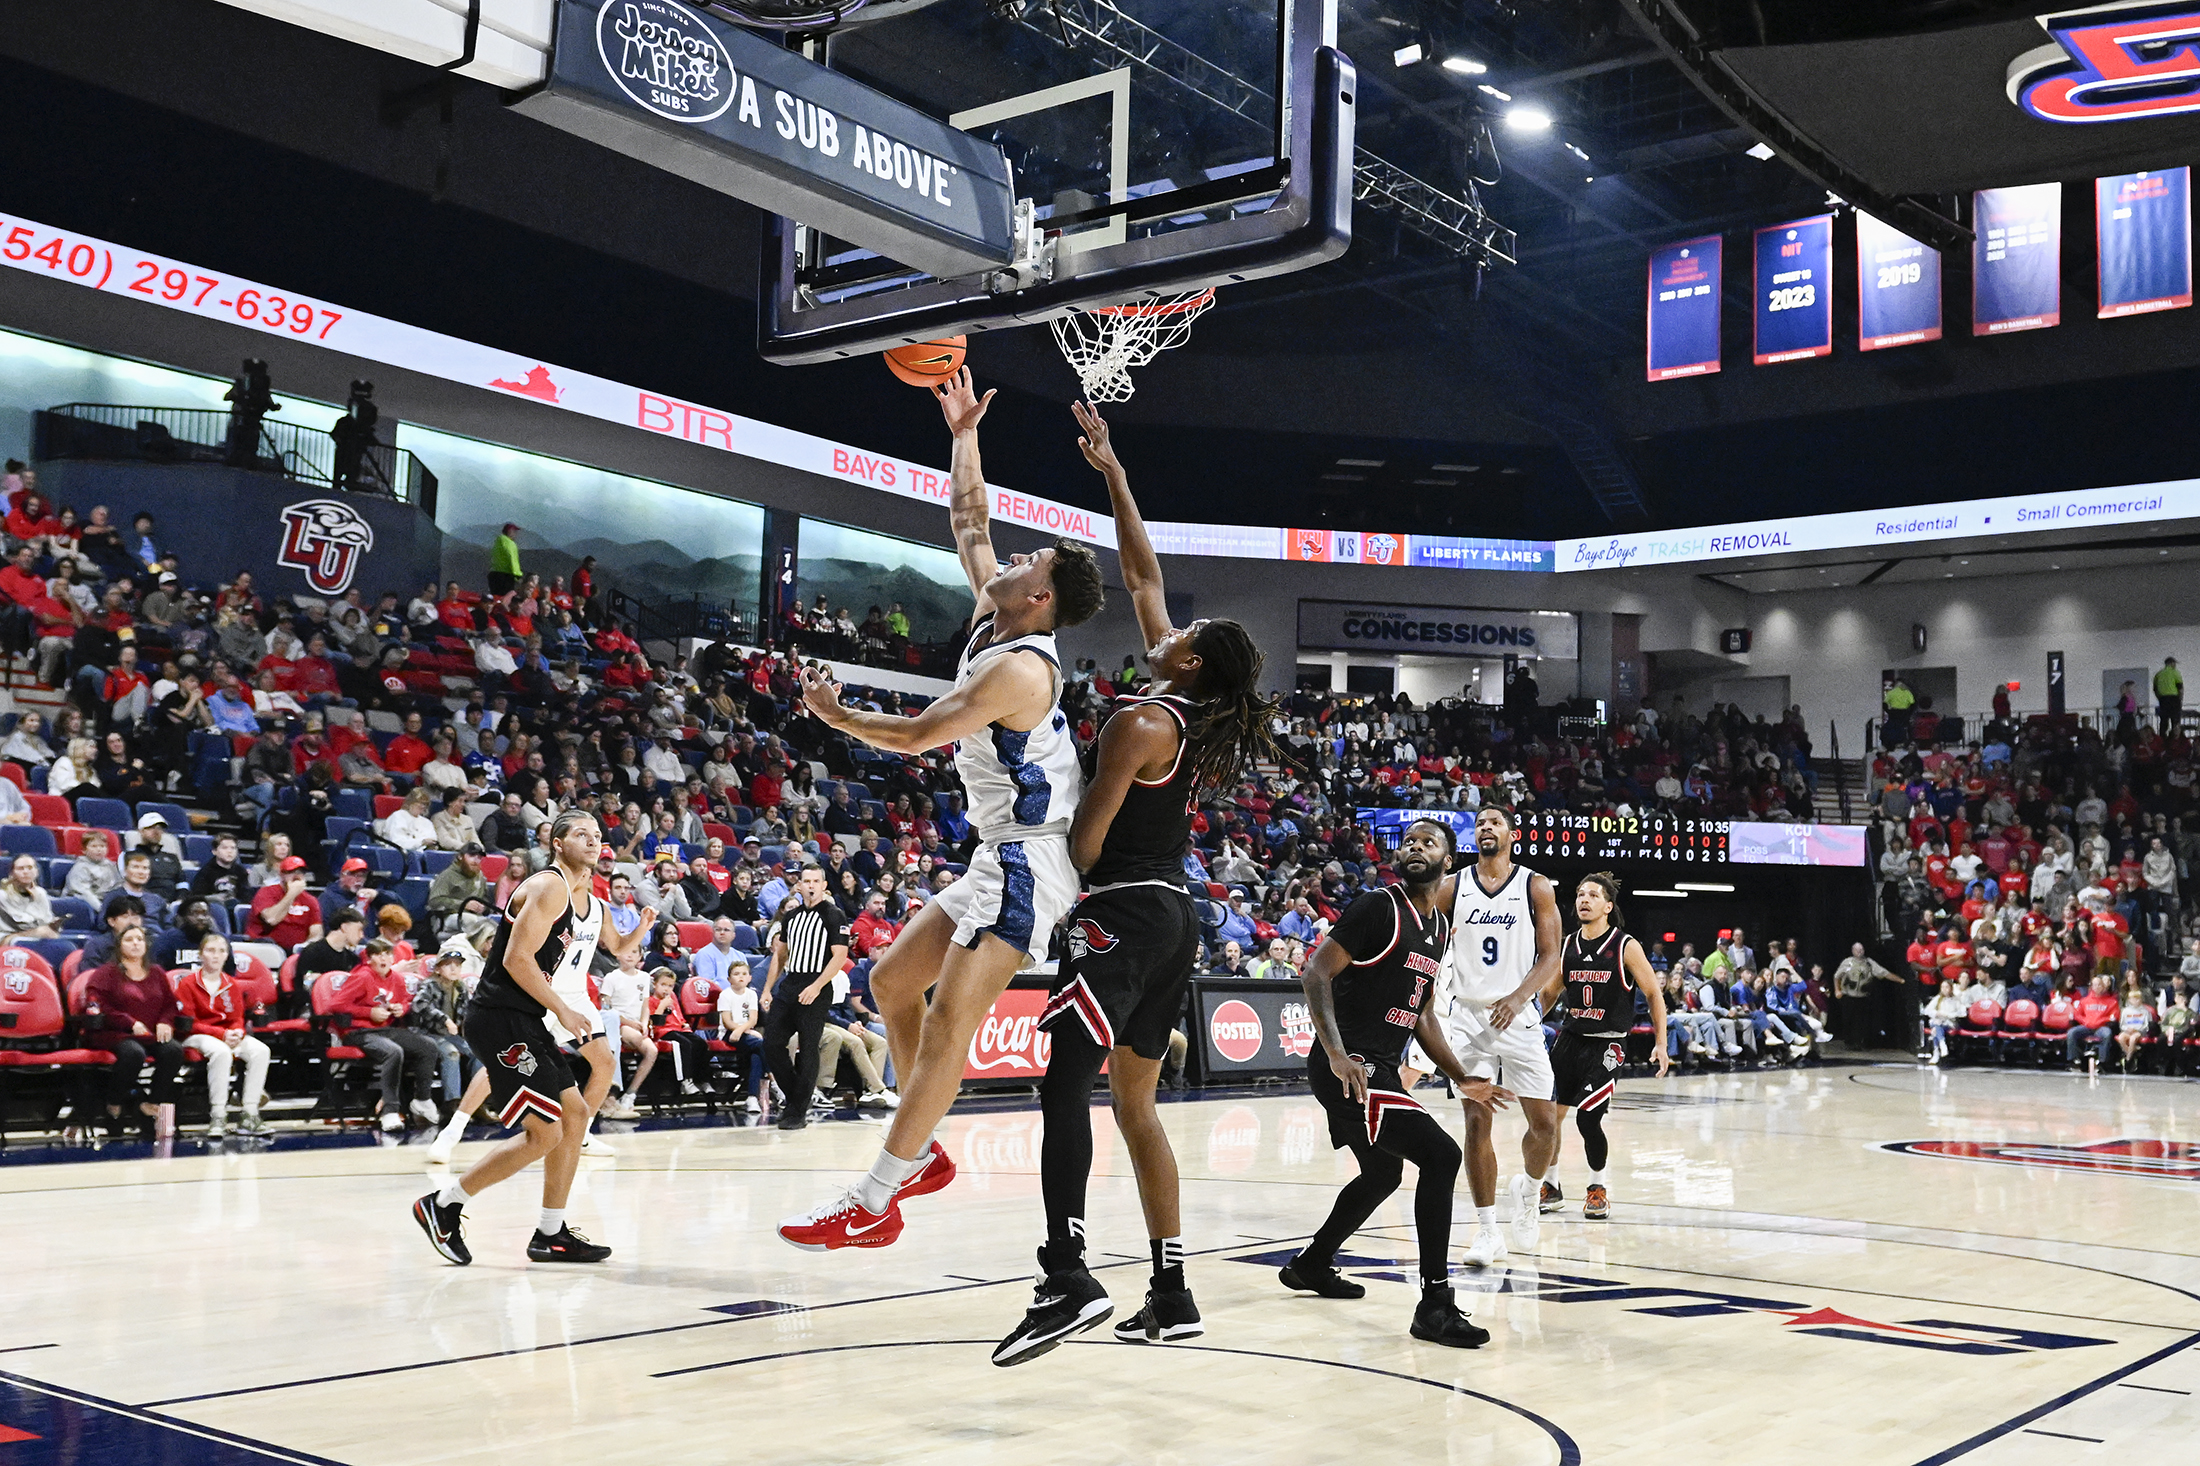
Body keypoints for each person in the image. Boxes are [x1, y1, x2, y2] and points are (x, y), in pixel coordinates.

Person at [778, 367, 1106, 1250]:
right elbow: (970, 522)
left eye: (1030, 563)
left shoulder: (1020, 669)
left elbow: (920, 735)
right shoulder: (995, 622)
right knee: (892, 982)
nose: (1014, 558)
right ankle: (918, 1152)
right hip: (998, 852)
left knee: (949, 1027)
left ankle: (876, 1195)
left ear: (1040, 598)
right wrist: (964, 435)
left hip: (1029, 860)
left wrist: (838, 716)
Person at [996, 399, 1279, 1363]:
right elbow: (1144, 575)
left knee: (1062, 1085)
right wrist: (1113, 474)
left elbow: (1087, 843)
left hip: (1120, 911)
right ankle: (1172, 1288)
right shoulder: (1181, 706)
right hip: (1173, 918)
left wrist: (1035, 852)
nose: (1163, 621)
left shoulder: (1141, 721)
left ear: (1186, 660)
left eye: (1179, 629)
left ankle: (1066, 1272)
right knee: (1135, 1106)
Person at [1278, 819, 1511, 1348]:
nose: (1415, 847)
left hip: (1376, 1067)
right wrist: (1336, 1054)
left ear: (1448, 862)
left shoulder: (1440, 929)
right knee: (1442, 1155)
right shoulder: (1378, 907)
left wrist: (1461, 1077)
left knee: (1383, 1173)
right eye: (1409, 841)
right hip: (1352, 1066)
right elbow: (1315, 973)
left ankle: (1312, 1264)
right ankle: (1434, 1304)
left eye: (1429, 842)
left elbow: (1423, 1014)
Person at [413, 811, 646, 1266]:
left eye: (598, 835)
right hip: (500, 1018)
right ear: (557, 843)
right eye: (581, 834)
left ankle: (551, 1232)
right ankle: (443, 1205)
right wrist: (564, 1008)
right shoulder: (548, 886)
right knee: (544, 1133)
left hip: (525, 1018)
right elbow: (517, 959)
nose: (593, 841)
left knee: (575, 1114)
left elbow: (605, 948)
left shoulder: (579, 896)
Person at [1400, 804, 1562, 1266]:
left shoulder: (1535, 885)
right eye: (1480, 824)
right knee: (1476, 1121)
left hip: (1519, 1016)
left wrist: (1518, 997)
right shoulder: (1453, 887)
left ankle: (1529, 1190)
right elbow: (1424, 933)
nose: (1486, 828)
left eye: (1495, 822)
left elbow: (1551, 956)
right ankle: (1488, 1231)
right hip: (1469, 1017)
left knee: (1545, 1126)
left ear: (1512, 834)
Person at [1533, 874, 1670, 1220]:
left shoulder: (1625, 946)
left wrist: (1661, 1043)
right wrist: (1526, 1025)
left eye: (1593, 895)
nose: (1584, 899)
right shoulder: (1568, 945)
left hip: (1608, 1044)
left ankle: (1597, 1188)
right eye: (1581, 894)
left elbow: (1653, 994)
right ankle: (1552, 1186)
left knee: (1588, 1118)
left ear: (1608, 906)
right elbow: (1549, 993)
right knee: (1549, 1118)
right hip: (1570, 1040)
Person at [760, 867, 851, 1131]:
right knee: (771, 1043)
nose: (811, 886)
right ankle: (797, 1099)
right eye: (806, 881)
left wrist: (817, 985)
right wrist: (767, 989)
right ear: (798, 885)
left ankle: (797, 1112)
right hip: (790, 984)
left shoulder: (834, 915)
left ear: (824, 885)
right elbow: (780, 955)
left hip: (817, 985)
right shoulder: (791, 917)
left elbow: (840, 956)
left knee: (809, 1047)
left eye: (815, 881)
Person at [80, 925, 189, 1138]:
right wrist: (129, 1022)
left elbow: (170, 1004)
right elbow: (97, 1005)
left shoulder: (157, 972)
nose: (136, 943)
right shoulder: (106, 973)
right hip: (114, 1033)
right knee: (133, 1053)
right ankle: (114, 1103)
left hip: (149, 1033)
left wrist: (165, 1021)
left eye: (139, 939)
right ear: (119, 945)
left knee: (174, 1050)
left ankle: (151, 1103)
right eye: (129, 939)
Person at [176, 931, 272, 1139]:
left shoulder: (231, 983)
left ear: (227, 955)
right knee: (221, 1052)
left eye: (221, 951)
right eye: (210, 951)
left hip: (227, 1033)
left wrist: (238, 1031)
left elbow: (237, 1017)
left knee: (261, 1050)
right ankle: (218, 1115)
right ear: (200, 954)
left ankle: (250, 1113)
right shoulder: (188, 983)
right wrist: (221, 1034)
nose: (216, 955)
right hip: (197, 1035)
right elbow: (189, 1024)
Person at [714, 956, 765, 1112]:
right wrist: (739, 1030)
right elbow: (727, 1021)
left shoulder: (752, 994)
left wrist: (742, 1030)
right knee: (762, 1045)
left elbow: (753, 1019)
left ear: (750, 977)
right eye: (736, 974)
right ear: (729, 979)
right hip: (729, 1034)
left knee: (756, 1054)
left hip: (745, 1032)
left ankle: (752, 1098)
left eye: (744, 974)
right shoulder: (725, 995)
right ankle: (774, 1080)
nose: (741, 977)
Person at [2155, 656, 2184, 736]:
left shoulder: (2158, 674)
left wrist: (2160, 698)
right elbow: (2180, 688)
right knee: (2175, 721)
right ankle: (2175, 738)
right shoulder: (2175, 673)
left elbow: (2155, 689)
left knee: (2164, 721)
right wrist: (2180, 698)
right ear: (2171, 663)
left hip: (2163, 699)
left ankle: (2162, 738)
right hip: (2174, 699)